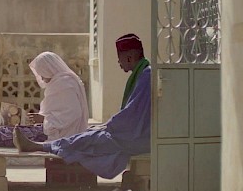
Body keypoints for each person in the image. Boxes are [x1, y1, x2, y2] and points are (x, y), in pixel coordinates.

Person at [13, 33, 151, 179]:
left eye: (120, 58)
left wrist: (109, 126)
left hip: (138, 138)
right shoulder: (144, 74)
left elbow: (132, 113)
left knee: (90, 140)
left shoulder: (146, 76)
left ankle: (39, 147)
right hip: (135, 135)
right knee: (90, 137)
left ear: (129, 57)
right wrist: (107, 126)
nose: (119, 62)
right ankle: (44, 146)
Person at [0, 51, 89, 147]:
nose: (42, 77)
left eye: (42, 72)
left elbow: (72, 114)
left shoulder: (65, 83)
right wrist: (40, 119)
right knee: (7, 130)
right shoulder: (62, 82)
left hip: (59, 134)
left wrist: (44, 120)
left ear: (49, 68)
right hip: (48, 129)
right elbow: (59, 112)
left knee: (7, 134)